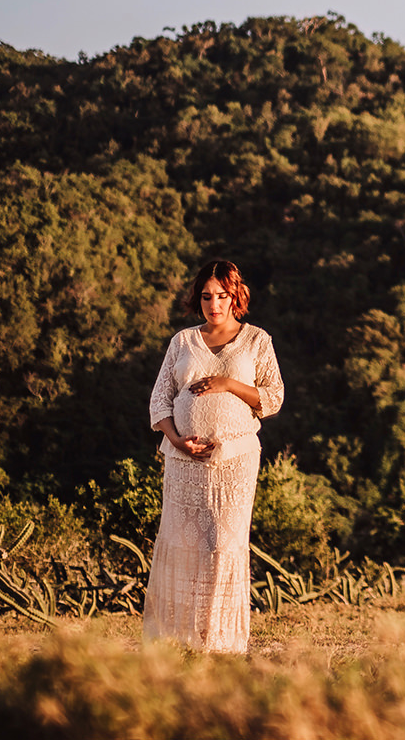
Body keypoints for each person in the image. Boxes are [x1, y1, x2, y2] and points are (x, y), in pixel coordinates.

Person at [142, 260, 285, 653]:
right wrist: (176, 440)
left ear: (235, 296)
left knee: (223, 543)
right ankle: (177, 640)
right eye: (206, 297)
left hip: (235, 461)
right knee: (182, 543)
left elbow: (273, 398)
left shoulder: (257, 340)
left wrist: (228, 384)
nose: (214, 304)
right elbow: (159, 401)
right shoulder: (182, 342)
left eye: (222, 296)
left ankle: (219, 641)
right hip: (183, 462)